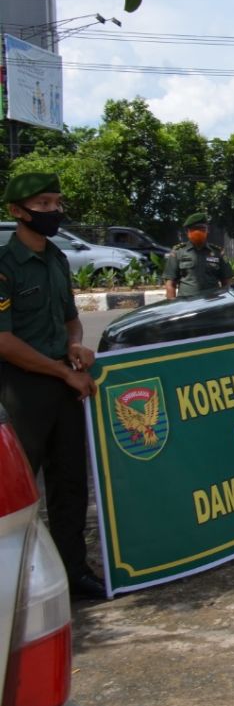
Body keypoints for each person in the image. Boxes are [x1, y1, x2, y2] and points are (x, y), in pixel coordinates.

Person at [0, 172, 105, 600]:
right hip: (24, 389)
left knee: (70, 484)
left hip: (65, 380)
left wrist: (77, 346)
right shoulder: (4, 268)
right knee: (22, 488)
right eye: (43, 204)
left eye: (56, 203)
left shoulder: (57, 258)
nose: (53, 212)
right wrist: (62, 371)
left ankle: (72, 570)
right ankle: (20, 582)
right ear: (16, 211)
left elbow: (70, 318)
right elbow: (4, 341)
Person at [163, 212, 234, 299]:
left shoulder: (217, 252)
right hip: (186, 303)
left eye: (202, 229)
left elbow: (227, 281)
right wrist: (173, 307)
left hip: (211, 302)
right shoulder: (178, 252)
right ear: (188, 231)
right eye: (194, 229)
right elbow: (170, 283)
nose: (198, 232)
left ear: (207, 230)